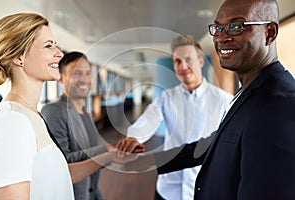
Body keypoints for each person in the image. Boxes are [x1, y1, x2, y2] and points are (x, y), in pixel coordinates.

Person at [122, 0, 295, 199]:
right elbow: (212, 145)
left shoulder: (278, 105)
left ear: (270, 32)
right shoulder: (248, 95)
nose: (222, 37)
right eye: (218, 28)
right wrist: (145, 159)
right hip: (169, 189)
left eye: (236, 26)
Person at [0, 13, 143, 200]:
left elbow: (63, 175)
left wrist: (111, 155)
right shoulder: (13, 121)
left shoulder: (32, 116)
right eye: (48, 46)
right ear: (19, 57)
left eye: (56, 45)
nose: (59, 53)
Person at [123, 35, 232, 200]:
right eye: (177, 61)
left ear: (200, 62)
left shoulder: (224, 100)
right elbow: (149, 119)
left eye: (188, 59)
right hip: (168, 189)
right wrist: (133, 137)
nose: (183, 66)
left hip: (204, 190)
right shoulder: (167, 98)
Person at [41, 51, 144, 200]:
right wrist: (108, 152)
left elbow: (90, 152)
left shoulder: (85, 112)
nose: (84, 79)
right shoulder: (54, 111)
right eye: (77, 73)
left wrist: (118, 148)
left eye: (88, 73)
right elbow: (62, 163)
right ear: (61, 78)